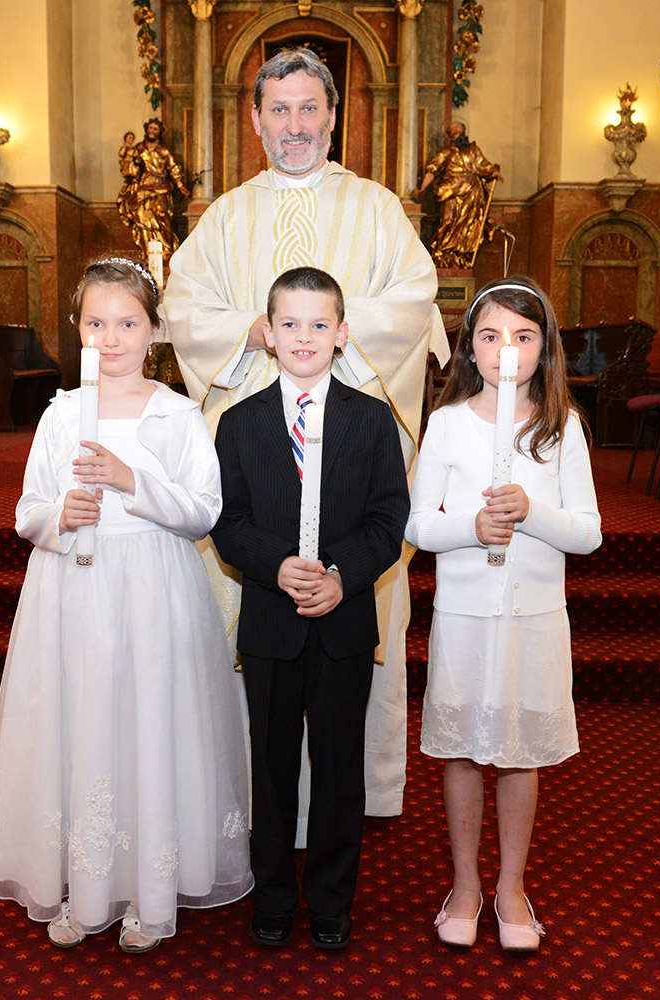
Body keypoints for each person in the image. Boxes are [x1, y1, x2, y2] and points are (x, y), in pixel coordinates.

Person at [163, 44, 444, 831]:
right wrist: (248, 331)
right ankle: (252, 797)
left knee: (350, 609)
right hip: (255, 450)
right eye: (279, 109)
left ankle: (351, 800)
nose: (295, 125)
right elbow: (183, 305)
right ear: (255, 121)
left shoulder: (377, 209)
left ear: (332, 117)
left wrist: (326, 336)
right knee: (253, 602)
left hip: (348, 449)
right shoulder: (225, 216)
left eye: (309, 108)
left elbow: (414, 295)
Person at [0, 258, 253, 954]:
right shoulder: (61, 414)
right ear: (77, 329)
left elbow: (203, 511)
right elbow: (27, 511)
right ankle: (85, 886)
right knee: (83, 722)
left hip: (153, 590)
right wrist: (60, 516)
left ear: (154, 331)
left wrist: (131, 480)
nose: (111, 338)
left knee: (147, 723)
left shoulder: (177, 414)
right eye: (96, 324)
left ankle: (149, 895)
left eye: (127, 323)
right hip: (73, 590)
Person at [212, 266, 410, 951]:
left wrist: (342, 576)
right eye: (290, 324)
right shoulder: (239, 424)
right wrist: (274, 566)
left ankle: (330, 896)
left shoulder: (372, 420)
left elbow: (389, 519)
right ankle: (272, 895)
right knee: (269, 767)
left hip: (343, 623)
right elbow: (228, 521)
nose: (304, 336)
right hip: (270, 623)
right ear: (268, 334)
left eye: (319, 324)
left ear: (342, 333)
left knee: (337, 766)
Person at [404, 276, 601, 952]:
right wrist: (472, 527)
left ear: (544, 349)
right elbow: (418, 525)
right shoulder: (448, 423)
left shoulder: (561, 427)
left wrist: (531, 512)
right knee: (462, 751)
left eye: (522, 336)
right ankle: (465, 883)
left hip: (534, 616)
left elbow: (588, 533)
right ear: (469, 349)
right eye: (489, 336)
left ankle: (511, 885)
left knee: (520, 755)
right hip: (465, 613)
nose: (504, 350)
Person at [412, 121, 502, 268]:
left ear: (464, 130)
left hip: (472, 192)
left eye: (457, 127)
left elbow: (483, 166)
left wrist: (493, 172)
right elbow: (433, 169)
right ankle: (442, 254)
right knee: (447, 222)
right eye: (452, 129)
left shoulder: (473, 150)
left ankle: (461, 258)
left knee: (468, 226)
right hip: (451, 191)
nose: (455, 130)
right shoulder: (446, 152)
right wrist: (422, 187)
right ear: (449, 135)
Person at [120, 118, 191, 257]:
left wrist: (180, 185)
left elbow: (173, 167)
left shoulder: (163, 149)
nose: (152, 131)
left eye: (155, 129)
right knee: (143, 218)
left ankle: (167, 250)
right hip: (144, 187)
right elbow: (131, 167)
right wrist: (129, 159)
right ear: (146, 130)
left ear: (159, 132)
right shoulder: (139, 148)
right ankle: (147, 251)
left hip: (160, 186)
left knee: (162, 214)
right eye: (150, 128)